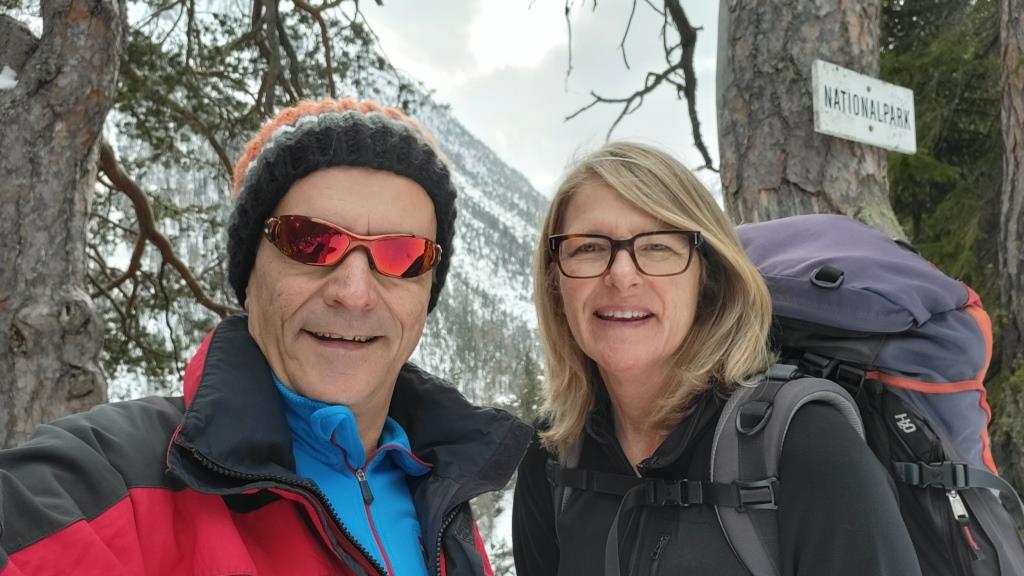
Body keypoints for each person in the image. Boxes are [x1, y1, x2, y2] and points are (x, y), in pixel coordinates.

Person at [0, 99, 531, 576]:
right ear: (249, 276)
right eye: (311, 242)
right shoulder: (111, 484)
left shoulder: (440, 489)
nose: (354, 293)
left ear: (426, 293)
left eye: (402, 255)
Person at [511, 141, 922, 575]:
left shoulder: (808, 449)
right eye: (589, 247)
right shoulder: (552, 457)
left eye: (658, 246)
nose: (621, 274)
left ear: (706, 277)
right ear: (555, 280)